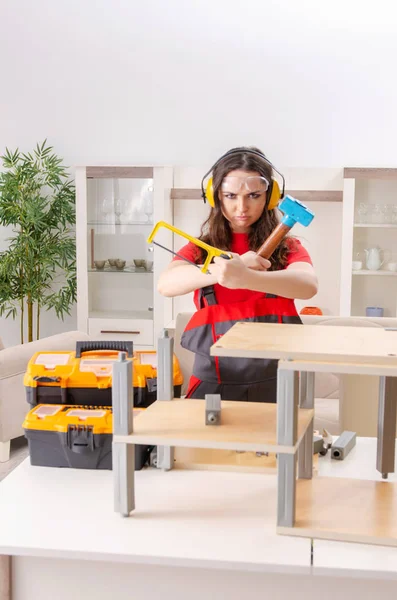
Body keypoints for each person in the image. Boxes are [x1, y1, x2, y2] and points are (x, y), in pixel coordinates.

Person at [158, 147, 318, 402]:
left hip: (277, 381)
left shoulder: (287, 247)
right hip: (211, 382)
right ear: (215, 196)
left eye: (253, 195)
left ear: (271, 196)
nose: (241, 207)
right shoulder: (202, 249)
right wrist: (220, 269)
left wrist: (247, 278)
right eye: (230, 195)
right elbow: (166, 284)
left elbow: (308, 285)